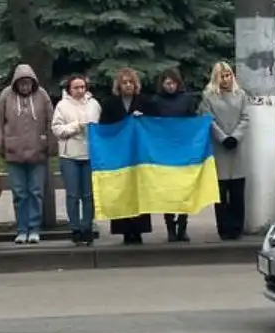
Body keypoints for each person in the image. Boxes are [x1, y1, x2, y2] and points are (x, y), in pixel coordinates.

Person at [0, 64, 56, 245]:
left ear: (33, 83)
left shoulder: (42, 95)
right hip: (14, 153)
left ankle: (34, 229)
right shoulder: (6, 95)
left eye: (28, 84)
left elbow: (51, 119)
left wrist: (51, 145)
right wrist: (0, 144)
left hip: (38, 152)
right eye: (22, 84)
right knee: (20, 193)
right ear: (16, 83)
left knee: (36, 192)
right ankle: (22, 229)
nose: (25, 87)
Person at [97, 68, 153, 244]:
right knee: (121, 192)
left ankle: (139, 230)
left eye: (130, 82)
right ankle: (124, 230)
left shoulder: (144, 102)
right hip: (118, 156)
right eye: (124, 82)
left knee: (138, 192)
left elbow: (155, 124)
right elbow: (104, 127)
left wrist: (143, 119)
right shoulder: (110, 104)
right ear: (119, 85)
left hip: (139, 155)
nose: (128, 85)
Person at [145, 67, 200, 242]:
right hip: (163, 152)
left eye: (173, 83)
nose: (170, 86)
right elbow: (151, 124)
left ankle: (183, 226)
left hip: (184, 150)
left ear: (178, 83)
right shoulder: (156, 101)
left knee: (184, 189)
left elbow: (193, 121)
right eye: (167, 83)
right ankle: (170, 227)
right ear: (162, 84)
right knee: (167, 190)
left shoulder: (187, 100)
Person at [202, 62, 250, 241]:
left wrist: (235, 137)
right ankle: (223, 227)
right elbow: (208, 119)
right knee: (221, 193)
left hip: (237, 148)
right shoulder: (208, 96)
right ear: (216, 77)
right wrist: (223, 137)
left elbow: (245, 118)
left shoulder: (241, 95)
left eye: (228, 75)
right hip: (218, 147)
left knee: (237, 192)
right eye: (222, 75)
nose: (226, 79)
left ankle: (237, 227)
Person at [51, 75, 101, 246]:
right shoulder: (62, 105)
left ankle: (87, 227)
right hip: (69, 155)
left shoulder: (94, 104)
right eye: (76, 87)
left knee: (89, 195)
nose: (80, 90)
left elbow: (100, 125)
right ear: (69, 89)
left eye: (82, 87)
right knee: (73, 194)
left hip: (90, 154)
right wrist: (75, 126)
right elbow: (57, 129)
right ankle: (75, 229)